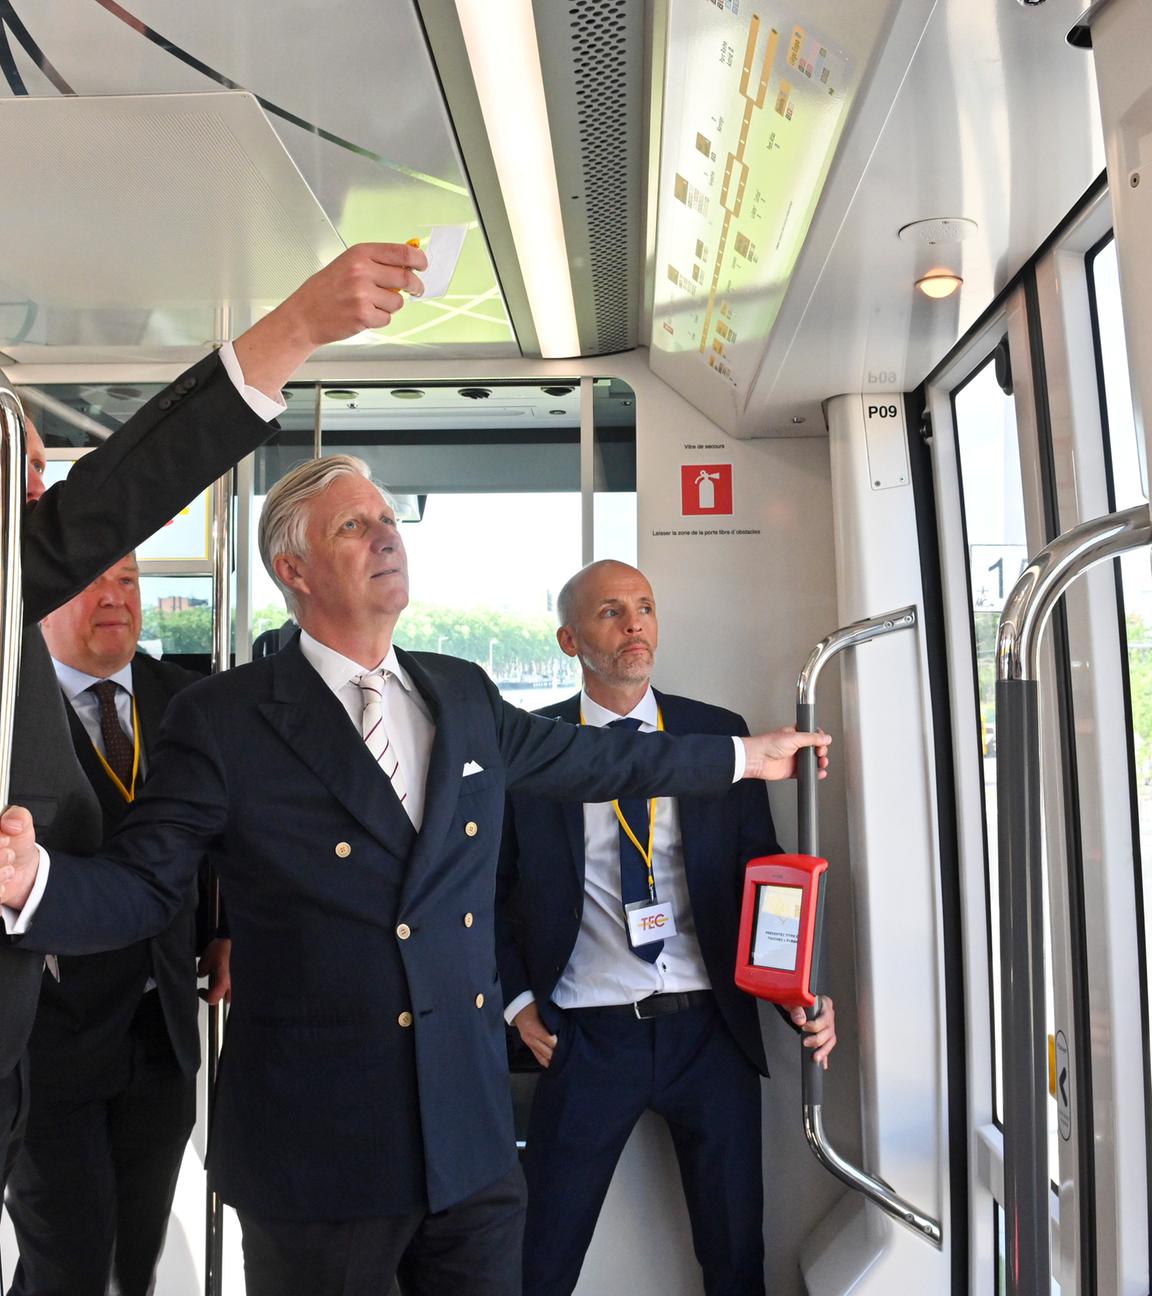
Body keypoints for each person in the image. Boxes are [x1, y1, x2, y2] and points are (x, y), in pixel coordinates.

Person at [0, 456, 829, 1296]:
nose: (386, 537)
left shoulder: (460, 691)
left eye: (389, 520)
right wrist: (37, 883)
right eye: (353, 526)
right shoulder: (223, 717)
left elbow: (599, 759)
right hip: (318, 1148)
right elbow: (145, 884)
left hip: (467, 1143)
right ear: (294, 570)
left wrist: (744, 757)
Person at [0, 238, 429, 1196]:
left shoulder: (189, 699)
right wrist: (297, 328)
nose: (36, 493)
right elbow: (120, 492)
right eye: (18, 469)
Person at [496, 559, 838, 1296]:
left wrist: (798, 985)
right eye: (610, 612)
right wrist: (518, 1003)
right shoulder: (534, 746)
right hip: (586, 1035)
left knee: (735, 1258)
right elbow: (489, 893)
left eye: (645, 607)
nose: (635, 626)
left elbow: (763, 872)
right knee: (536, 1259)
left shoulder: (717, 734)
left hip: (710, 1031)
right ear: (569, 639)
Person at [5, 554, 220, 1295]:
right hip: (47, 1037)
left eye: (127, 580)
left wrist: (225, 929)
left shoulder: (188, 702)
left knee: (133, 1261)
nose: (114, 598)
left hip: (161, 1029)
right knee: (68, 1265)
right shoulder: (9, 709)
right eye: (89, 580)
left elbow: (221, 835)